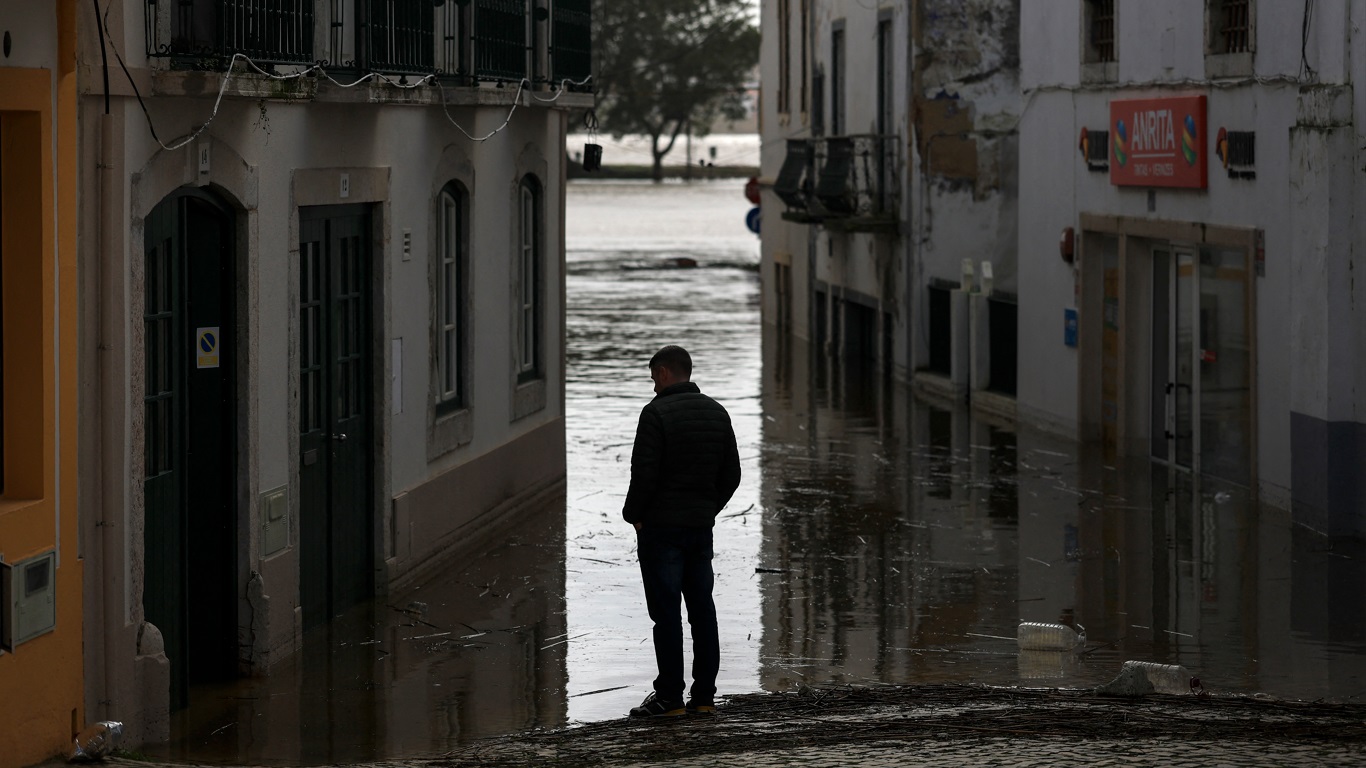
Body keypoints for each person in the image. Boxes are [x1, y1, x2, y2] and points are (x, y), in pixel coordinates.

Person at [623, 345, 741, 718]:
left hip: (661, 530)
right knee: (702, 611)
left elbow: (644, 473)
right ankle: (704, 697)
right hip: (699, 528)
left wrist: (634, 516)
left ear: (662, 373)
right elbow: (732, 475)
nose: (653, 385)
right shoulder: (717, 412)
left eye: (653, 377)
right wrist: (708, 509)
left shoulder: (655, 413)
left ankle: (670, 697)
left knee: (667, 614)